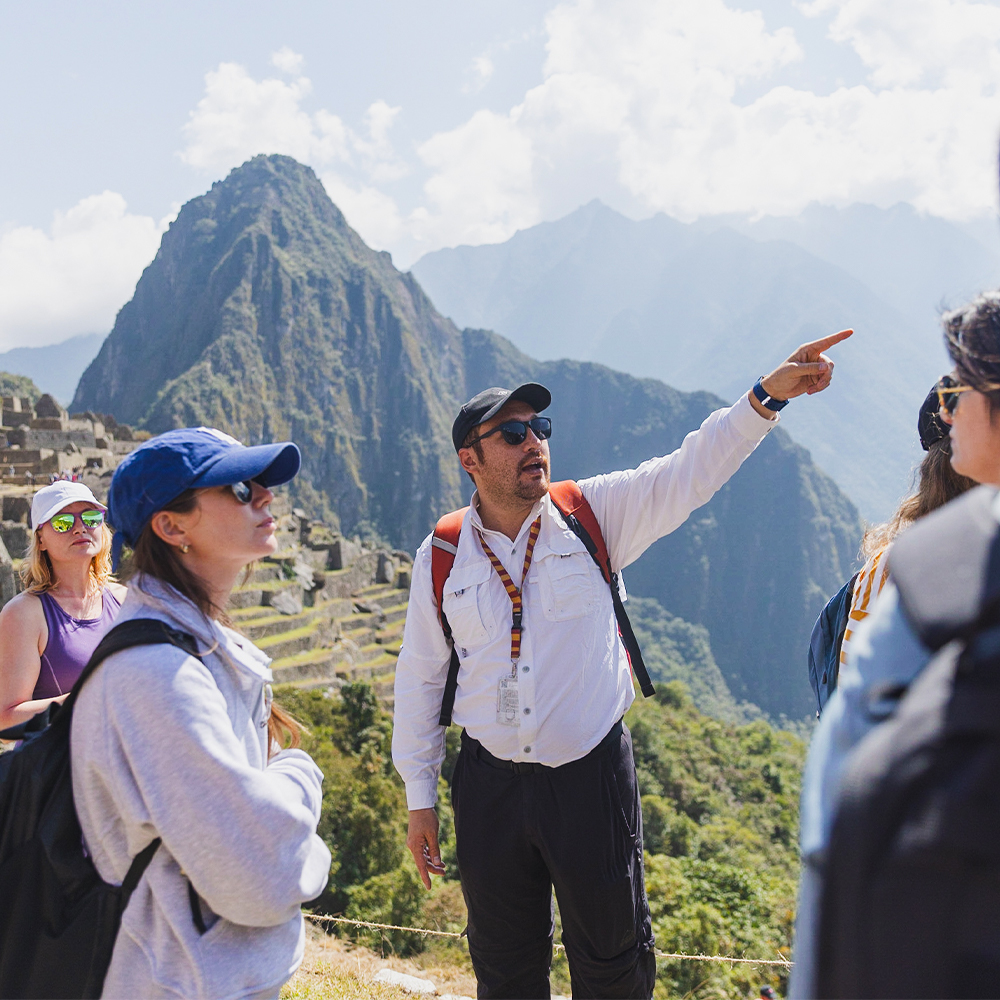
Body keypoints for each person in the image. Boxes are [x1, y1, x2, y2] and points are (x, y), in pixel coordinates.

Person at [392, 330, 852, 999]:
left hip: (591, 778)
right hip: (489, 784)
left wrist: (765, 397)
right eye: (513, 434)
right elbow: (421, 675)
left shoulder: (593, 515)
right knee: (502, 962)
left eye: (539, 428)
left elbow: (690, 470)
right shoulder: (442, 555)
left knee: (613, 962)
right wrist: (420, 798)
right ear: (471, 459)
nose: (534, 443)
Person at [70, 427, 331, 1000]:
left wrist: (270, 808)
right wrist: (301, 775)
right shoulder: (156, 675)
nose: (265, 497)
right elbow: (260, 876)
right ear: (172, 526)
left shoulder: (198, 647)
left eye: (262, 484)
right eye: (239, 488)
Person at [790, 294, 1000, 998]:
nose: (950, 408)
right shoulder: (924, 571)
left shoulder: (915, 575)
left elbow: (849, 772)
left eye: (960, 391)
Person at [0, 481, 126, 732]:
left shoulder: (125, 599)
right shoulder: (24, 614)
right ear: (41, 540)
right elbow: (5, 718)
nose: (80, 528)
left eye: (91, 518)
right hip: (62, 756)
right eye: (63, 522)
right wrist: (88, 696)